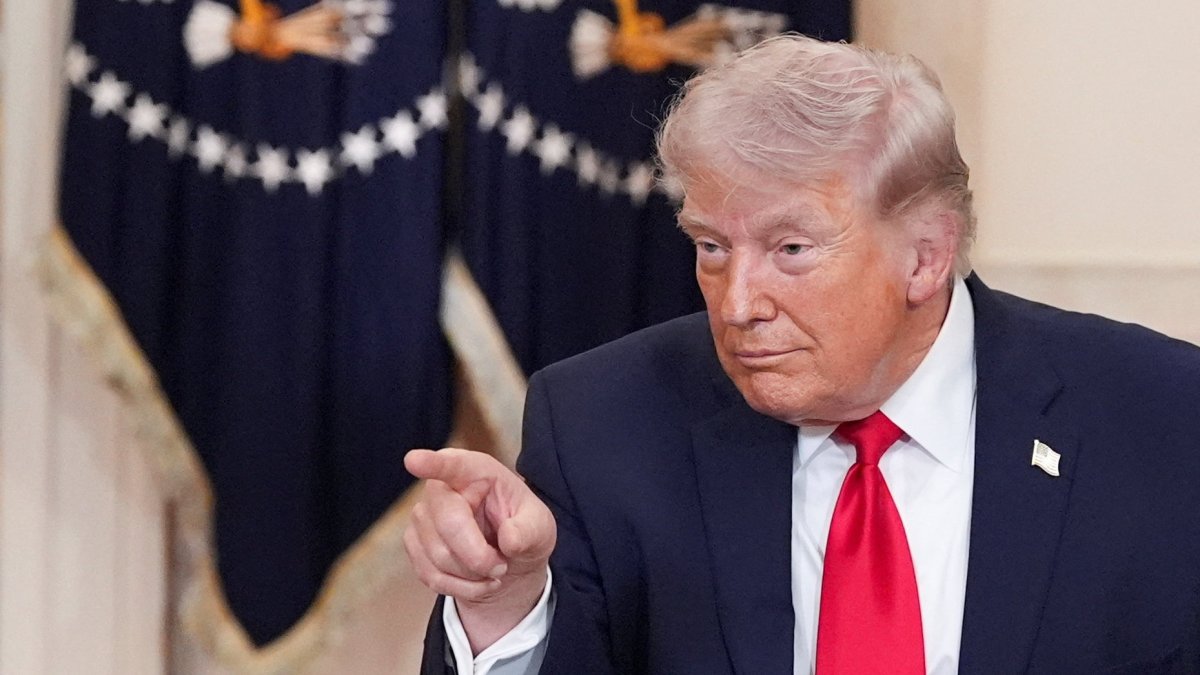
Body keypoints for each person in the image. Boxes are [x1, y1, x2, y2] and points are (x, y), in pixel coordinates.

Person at [403, 35, 1200, 674]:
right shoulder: (604, 420)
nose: (738, 300)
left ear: (924, 257)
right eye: (712, 247)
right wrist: (507, 603)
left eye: (790, 248)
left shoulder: (1160, 414)